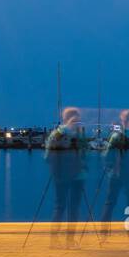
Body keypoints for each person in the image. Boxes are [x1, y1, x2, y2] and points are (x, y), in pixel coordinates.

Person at [46, 106, 87, 248]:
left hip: (65, 176)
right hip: (72, 176)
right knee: (69, 207)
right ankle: (65, 240)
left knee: (63, 207)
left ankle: (58, 239)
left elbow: (48, 157)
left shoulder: (57, 134)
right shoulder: (65, 135)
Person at [100, 109, 129, 242]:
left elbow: (107, 155)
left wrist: (109, 169)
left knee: (117, 202)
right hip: (124, 175)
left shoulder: (123, 135)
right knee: (125, 202)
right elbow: (108, 155)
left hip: (123, 175)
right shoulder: (125, 136)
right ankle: (126, 233)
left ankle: (109, 233)